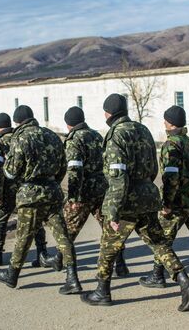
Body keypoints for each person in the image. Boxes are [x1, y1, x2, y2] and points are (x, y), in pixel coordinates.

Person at [81, 94, 189, 312]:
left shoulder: (115, 134)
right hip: (147, 195)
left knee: (108, 246)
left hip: (127, 198)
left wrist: (113, 210)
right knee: (159, 243)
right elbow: (154, 168)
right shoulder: (143, 130)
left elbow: (117, 175)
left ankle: (102, 290)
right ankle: (186, 284)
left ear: (108, 113)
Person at [0, 106, 81, 295]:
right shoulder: (51, 135)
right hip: (52, 193)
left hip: (30, 194)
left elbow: (11, 172)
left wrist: (9, 167)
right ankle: (72, 278)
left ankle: (12, 275)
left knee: (23, 237)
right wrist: (52, 183)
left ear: (17, 122)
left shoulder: (20, 138)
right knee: (63, 236)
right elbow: (62, 167)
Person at [44, 107, 129, 276]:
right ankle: (120, 264)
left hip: (84, 191)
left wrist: (74, 197)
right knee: (109, 228)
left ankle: (60, 259)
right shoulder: (96, 135)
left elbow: (75, 170)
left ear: (69, 124)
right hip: (102, 188)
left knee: (68, 228)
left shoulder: (74, 139)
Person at [139, 105, 189, 288]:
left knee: (162, 239)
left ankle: (157, 275)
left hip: (178, 202)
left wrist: (166, 203)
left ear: (170, 123)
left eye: (165, 119)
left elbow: (171, 178)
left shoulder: (171, 145)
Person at [0, 113, 50, 268]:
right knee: (35, 221)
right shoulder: (22, 137)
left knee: (0, 220)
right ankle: (42, 252)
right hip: (26, 189)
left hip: (8, 190)